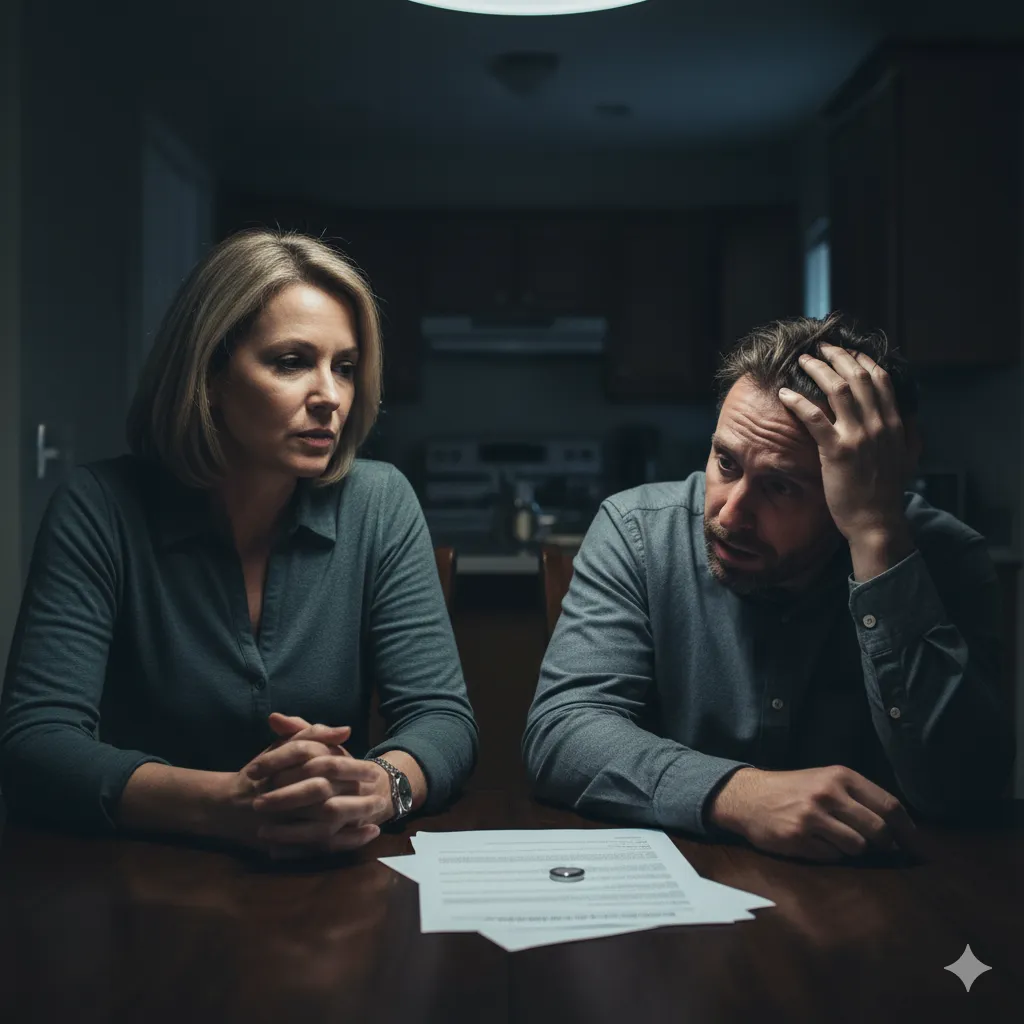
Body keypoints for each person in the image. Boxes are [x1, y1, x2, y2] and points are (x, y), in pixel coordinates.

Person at [0, 229, 477, 858]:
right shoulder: (100, 507)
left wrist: (375, 785)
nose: (329, 396)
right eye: (290, 362)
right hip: (136, 881)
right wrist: (225, 805)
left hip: (331, 878)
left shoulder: (379, 502)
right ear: (209, 373)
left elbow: (443, 720)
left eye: (345, 367)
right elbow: (35, 743)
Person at [523, 313, 1014, 863]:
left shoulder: (945, 557)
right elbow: (564, 734)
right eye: (725, 462)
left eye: (780, 487)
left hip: (883, 904)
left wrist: (876, 536)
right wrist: (739, 795)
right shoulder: (640, 532)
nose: (730, 514)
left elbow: (962, 791)